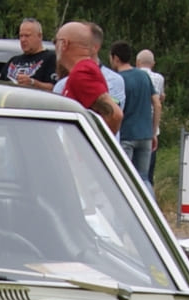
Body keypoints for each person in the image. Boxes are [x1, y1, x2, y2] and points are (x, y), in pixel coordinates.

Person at [52, 22, 121, 135]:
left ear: (64, 44)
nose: (55, 47)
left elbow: (114, 115)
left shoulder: (82, 73)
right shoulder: (83, 69)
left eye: (55, 42)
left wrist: (92, 147)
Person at [111, 40, 154, 185]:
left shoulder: (118, 80)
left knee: (125, 178)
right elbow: (157, 104)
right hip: (146, 135)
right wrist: (153, 132)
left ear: (115, 58)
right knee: (144, 179)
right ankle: (148, 205)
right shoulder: (144, 76)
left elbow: (114, 108)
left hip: (126, 134)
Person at [0, 19, 54, 91]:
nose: (23, 40)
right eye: (21, 36)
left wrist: (33, 83)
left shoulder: (51, 58)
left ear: (39, 36)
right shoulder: (13, 61)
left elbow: (55, 88)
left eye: (27, 36)